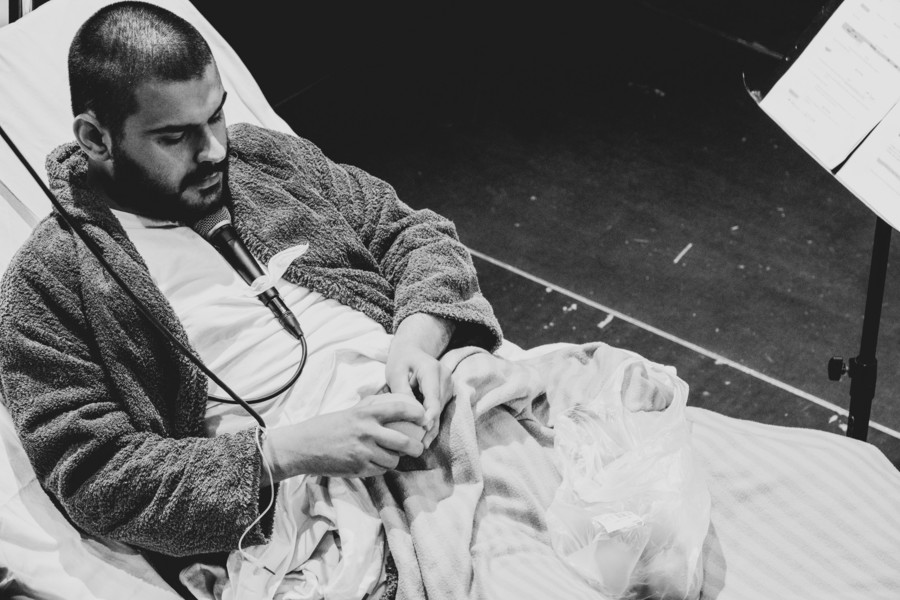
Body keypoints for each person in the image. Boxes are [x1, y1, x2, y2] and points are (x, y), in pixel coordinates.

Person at [0, 0, 502, 595]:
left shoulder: (264, 158)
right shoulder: (50, 281)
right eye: (175, 136)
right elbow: (97, 477)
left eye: (216, 115)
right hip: (311, 502)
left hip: (447, 404)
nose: (214, 149)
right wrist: (287, 454)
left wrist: (418, 337)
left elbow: (413, 235)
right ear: (95, 139)